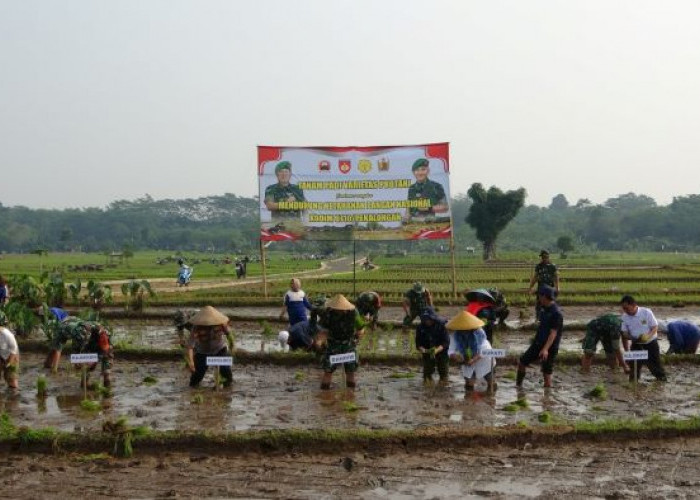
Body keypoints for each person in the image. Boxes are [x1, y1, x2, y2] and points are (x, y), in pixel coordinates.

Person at [516, 285, 563, 389]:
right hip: (537, 343)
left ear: (545, 296)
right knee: (522, 362)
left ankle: (546, 399)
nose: (538, 298)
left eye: (539, 296)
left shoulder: (556, 313)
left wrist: (545, 349)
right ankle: (518, 387)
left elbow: (553, 333)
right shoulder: (543, 309)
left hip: (550, 347)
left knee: (546, 373)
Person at [45, 318, 114, 388]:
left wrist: (105, 370)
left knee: (107, 359)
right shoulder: (84, 335)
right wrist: (81, 361)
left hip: (92, 336)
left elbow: (107, 353)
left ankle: (107, 383)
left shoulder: (107, 334)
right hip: (87, 339)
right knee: (87, 362)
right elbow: (79, 349)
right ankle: (84, 384)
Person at [319, 294, 365, 390]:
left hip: (346, 346)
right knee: (328, 372)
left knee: (349, 372)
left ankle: (348, 395)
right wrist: (320, 342)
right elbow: (323, 331)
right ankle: (329, 395)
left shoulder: (352, 313)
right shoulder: (328, 313)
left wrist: (357, 339)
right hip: (335, 346)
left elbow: (360, 329)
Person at [447, 310, 497, 392]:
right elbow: (450, 350)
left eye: (466, 329)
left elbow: (485, 350)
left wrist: (473, 359)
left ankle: (491, 398)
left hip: (484, 359)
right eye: (462, 329)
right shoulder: (455, 335)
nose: (464, 331)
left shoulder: (479, 333)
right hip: (466, 359)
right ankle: (469, 400)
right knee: (469, 382)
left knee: (490, 380)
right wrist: (456, 357)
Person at [620, 295, 667, 382]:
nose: (625, 310)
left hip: (650, 343)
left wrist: (648, 336)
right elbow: (624, 333)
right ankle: (633, 383)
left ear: (633, 305)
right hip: (636, 344)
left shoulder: (646, 312)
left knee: (655, 365)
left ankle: (662, 380)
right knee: (634, 366)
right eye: (623, 308)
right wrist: (631, 337)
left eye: (626, 308)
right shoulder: (624, 317)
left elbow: (655, 327)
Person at [186, 306, 233, 388]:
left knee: (225, 369)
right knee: (197, 375)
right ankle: (193, 386)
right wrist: (191, 362)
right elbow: (190, 346)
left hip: (219, 350)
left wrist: (232, 345)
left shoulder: (221, 324)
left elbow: (229, 335)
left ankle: (228, 385)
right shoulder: (196, 328)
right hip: (202, 352)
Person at [414, 307, 450, 383]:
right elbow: (418, 343)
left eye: (429, 319)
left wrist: (437, 350)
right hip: (427, 351)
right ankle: (428, 388)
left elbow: (446, 342)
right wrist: (422, 349)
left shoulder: (441, 325)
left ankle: (443, 386)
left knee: (443, 373)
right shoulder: (420, 327)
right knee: (427, 374)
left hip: (441, 350)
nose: (427, 321)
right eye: (425, 319)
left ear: (433, 317)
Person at [528, 250, 559, 318]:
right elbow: (535, 277)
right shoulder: (538, 266)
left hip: (550, 289)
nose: (544, 259)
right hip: (541, 289)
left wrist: (557, 288)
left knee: (550, 304)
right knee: (539, 305)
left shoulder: (552, 266)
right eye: (542, 257)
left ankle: (551, 319)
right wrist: (530, 287)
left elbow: (556, 277)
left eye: (545, 257)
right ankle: (538, 319)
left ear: (548, 257)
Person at [0, 311, 19, 391]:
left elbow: (14, 350)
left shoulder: (7, 334)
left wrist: (8, 363)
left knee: (11, 378)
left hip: (11, 355)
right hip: (0, 356)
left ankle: (13, 397)